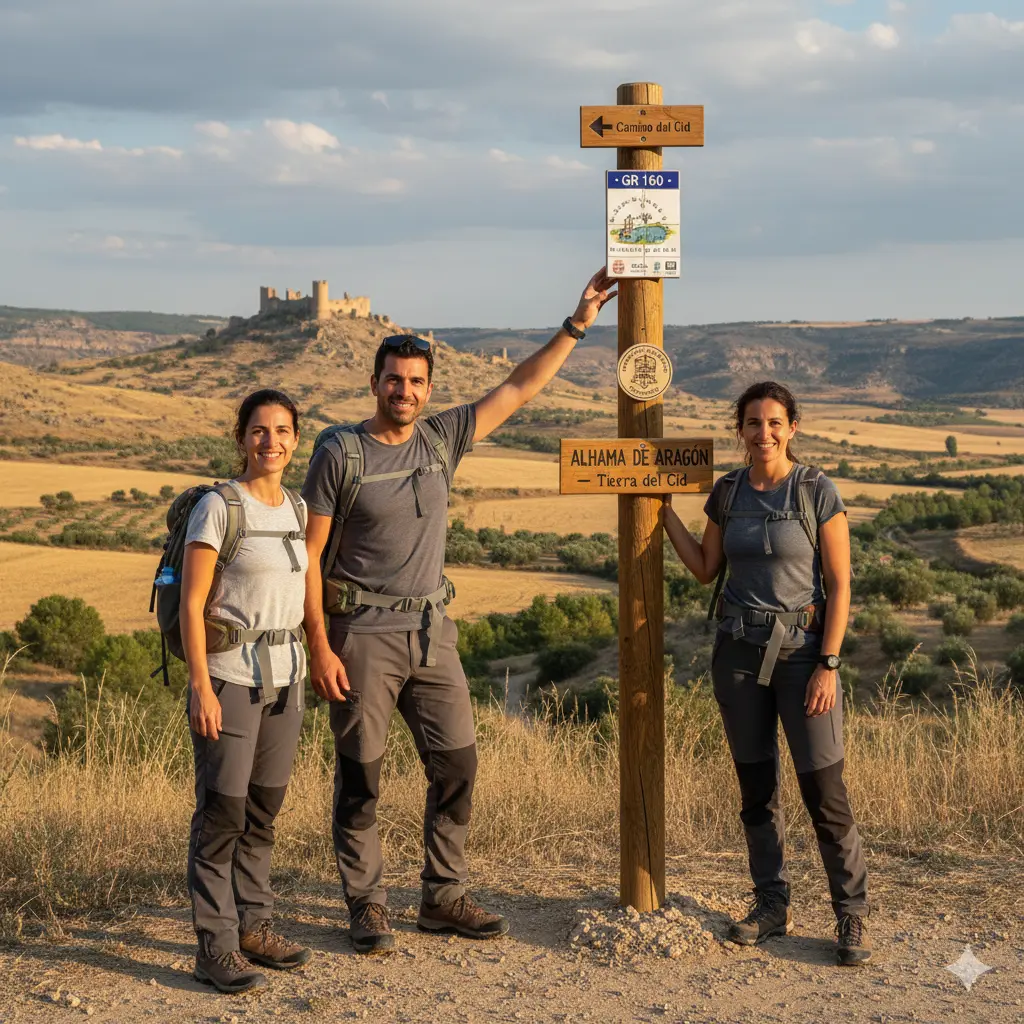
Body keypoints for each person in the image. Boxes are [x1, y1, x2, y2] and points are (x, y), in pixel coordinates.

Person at [301, 268, 617, 953]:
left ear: (429, 390)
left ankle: (442, 895)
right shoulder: (339, 451)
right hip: (361, 635)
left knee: (458, 766)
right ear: (375, 383)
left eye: (416, 382)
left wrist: (578, 322)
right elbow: (309, 555)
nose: (404, 391)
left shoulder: (441, 440)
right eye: (394, 380)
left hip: (431, 632)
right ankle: (367, 903)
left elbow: (519, 386)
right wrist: (318, 647)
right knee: (362, 775)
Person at [662, 380, 870, 966]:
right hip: (737, 652)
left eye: (775, 422)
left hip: (803, 654)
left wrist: (828, 664)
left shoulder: (815, 491)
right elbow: (706, 569)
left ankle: (851, 915)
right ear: (741, 430)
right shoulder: (727, 493)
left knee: (823, 790)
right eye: (753, 423)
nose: (764, 433)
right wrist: (661, 512)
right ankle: (771, 904)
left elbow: (840, 585)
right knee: (757, 790)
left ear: (793, 427)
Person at [181, 389, 312, 992]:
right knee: (222, 812)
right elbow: (191, 603)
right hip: (230, 678)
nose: (271, 442)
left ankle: (255, 927)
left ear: (295, 438)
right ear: (241, 438)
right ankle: (216, 945)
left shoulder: (299, 509)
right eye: (259, 431)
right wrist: (201, 686)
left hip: (287, 678)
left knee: (262, 810)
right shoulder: (219, 507)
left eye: (282, 431)